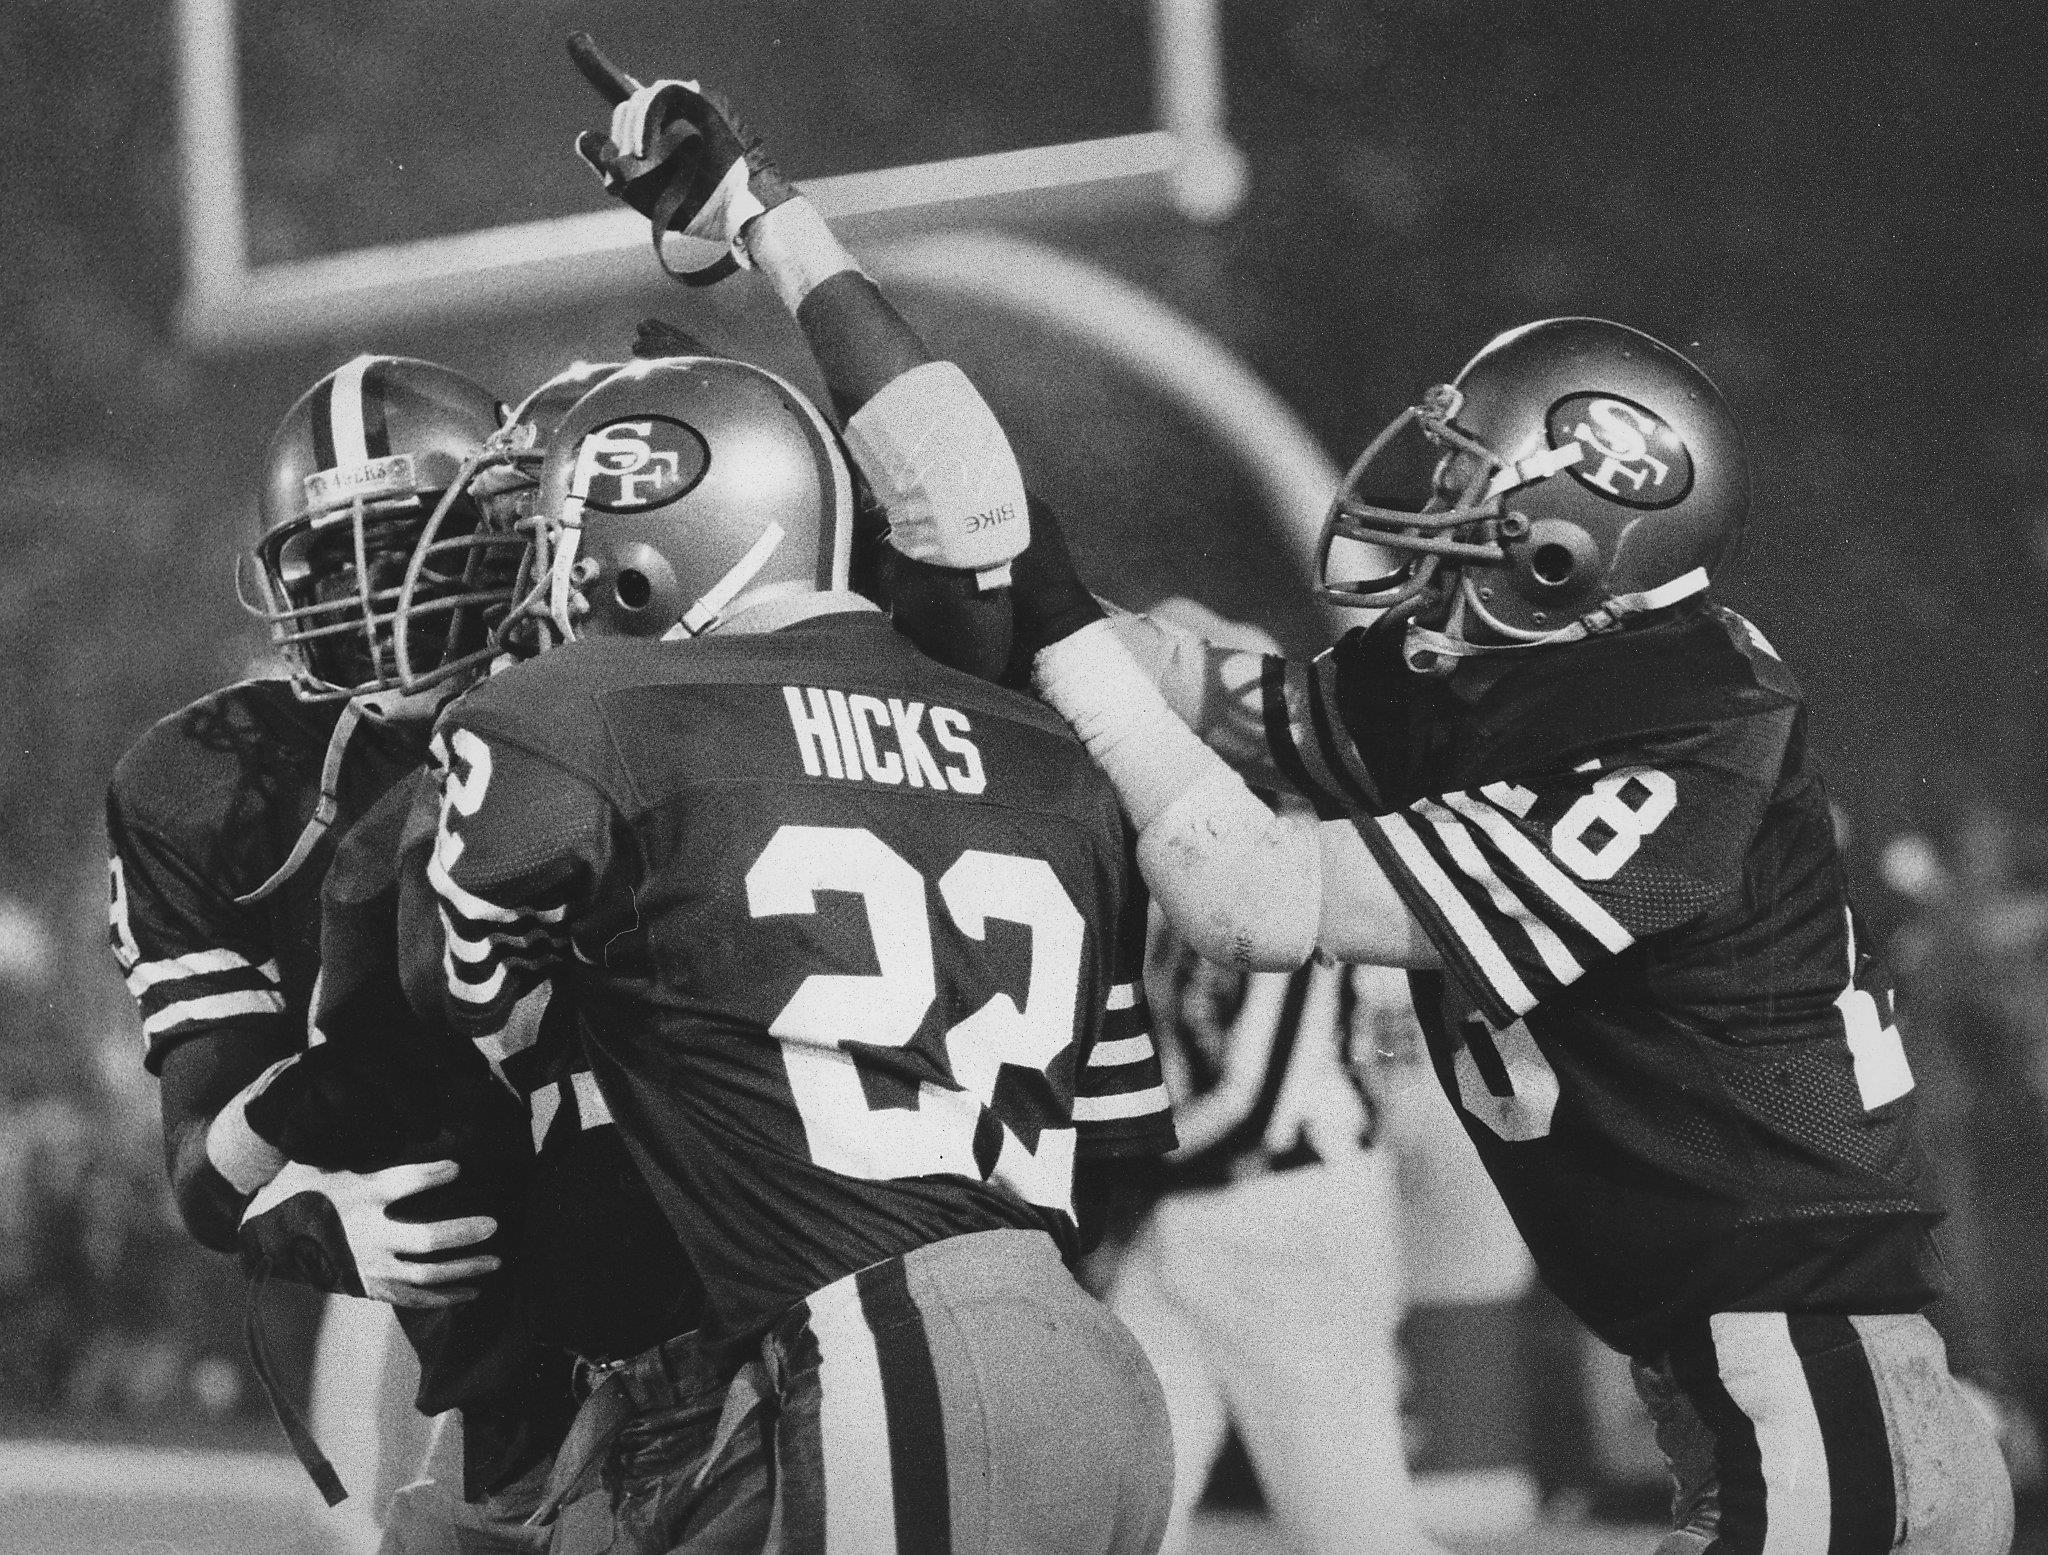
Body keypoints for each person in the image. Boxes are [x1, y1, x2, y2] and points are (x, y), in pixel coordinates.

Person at [1007, 317, 2014, 1554]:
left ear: (1564, 551)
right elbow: (1198, 687)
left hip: (1808, 1413)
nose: (1430, 512)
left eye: (1466, 488)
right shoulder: (1575, 688)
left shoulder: (1671, 739)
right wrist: (1002, 586)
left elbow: (1255, 893)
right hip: (1802, 1397)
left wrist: (1052, 626)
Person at [396, 76, 1181, 1544]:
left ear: (646, 554)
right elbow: (970, 500)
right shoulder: (1036, 745)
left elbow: (471, 998)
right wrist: (763, 209)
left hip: (877, 1348)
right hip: (1094, 1355)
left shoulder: (589, 715)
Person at [104, 354, 574, 1525]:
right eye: (342, 562)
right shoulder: (208, 783)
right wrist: (305, 1219)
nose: (386, 597)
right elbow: (206, 1174)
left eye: (415, 545)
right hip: (436, 1288)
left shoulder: (616, 702)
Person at [1091, 599, 1454, 1555]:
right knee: (1114, 1507)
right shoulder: (1186, 850)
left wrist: (1113, 1170)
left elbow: (1257, 1091)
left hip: (1292, 1214)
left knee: (1355, 1529)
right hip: (1196, 1211)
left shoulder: (1292, 845)